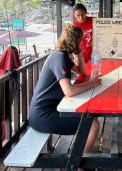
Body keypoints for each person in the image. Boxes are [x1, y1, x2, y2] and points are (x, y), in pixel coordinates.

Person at [29, 24, 101, 152]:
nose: (82, 43)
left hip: (52, 109)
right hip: (42, 115)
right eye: (80, 41)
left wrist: (78, 52)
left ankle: (79, 158)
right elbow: (69, 91)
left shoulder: (61, 55)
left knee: (90, 119)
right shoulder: (59, 58)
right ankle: (77, 163)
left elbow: (82, 71)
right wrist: (93, 83)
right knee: (92, 125)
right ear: (76, 41)